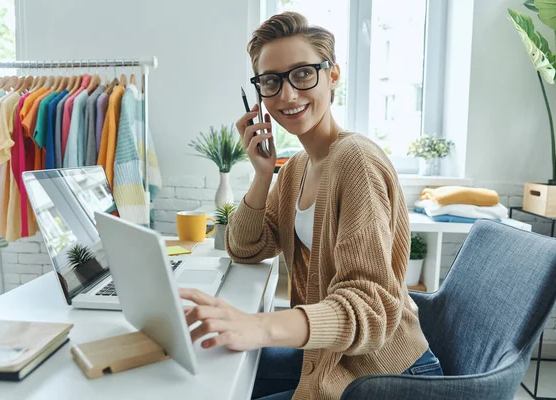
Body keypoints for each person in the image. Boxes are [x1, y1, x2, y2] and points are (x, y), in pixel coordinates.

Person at [179, 11, 443, 400]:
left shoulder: (356, 160)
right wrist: (262, 174)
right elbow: (245, 248)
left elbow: (371, 309)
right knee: (207, 365)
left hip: (387, 375)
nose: (287, 95)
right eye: (271, 81)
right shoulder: (296, 168)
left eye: (303, 74)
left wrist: (259, 325)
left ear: (332, 75)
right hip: (332, 356)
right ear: (260, 94)